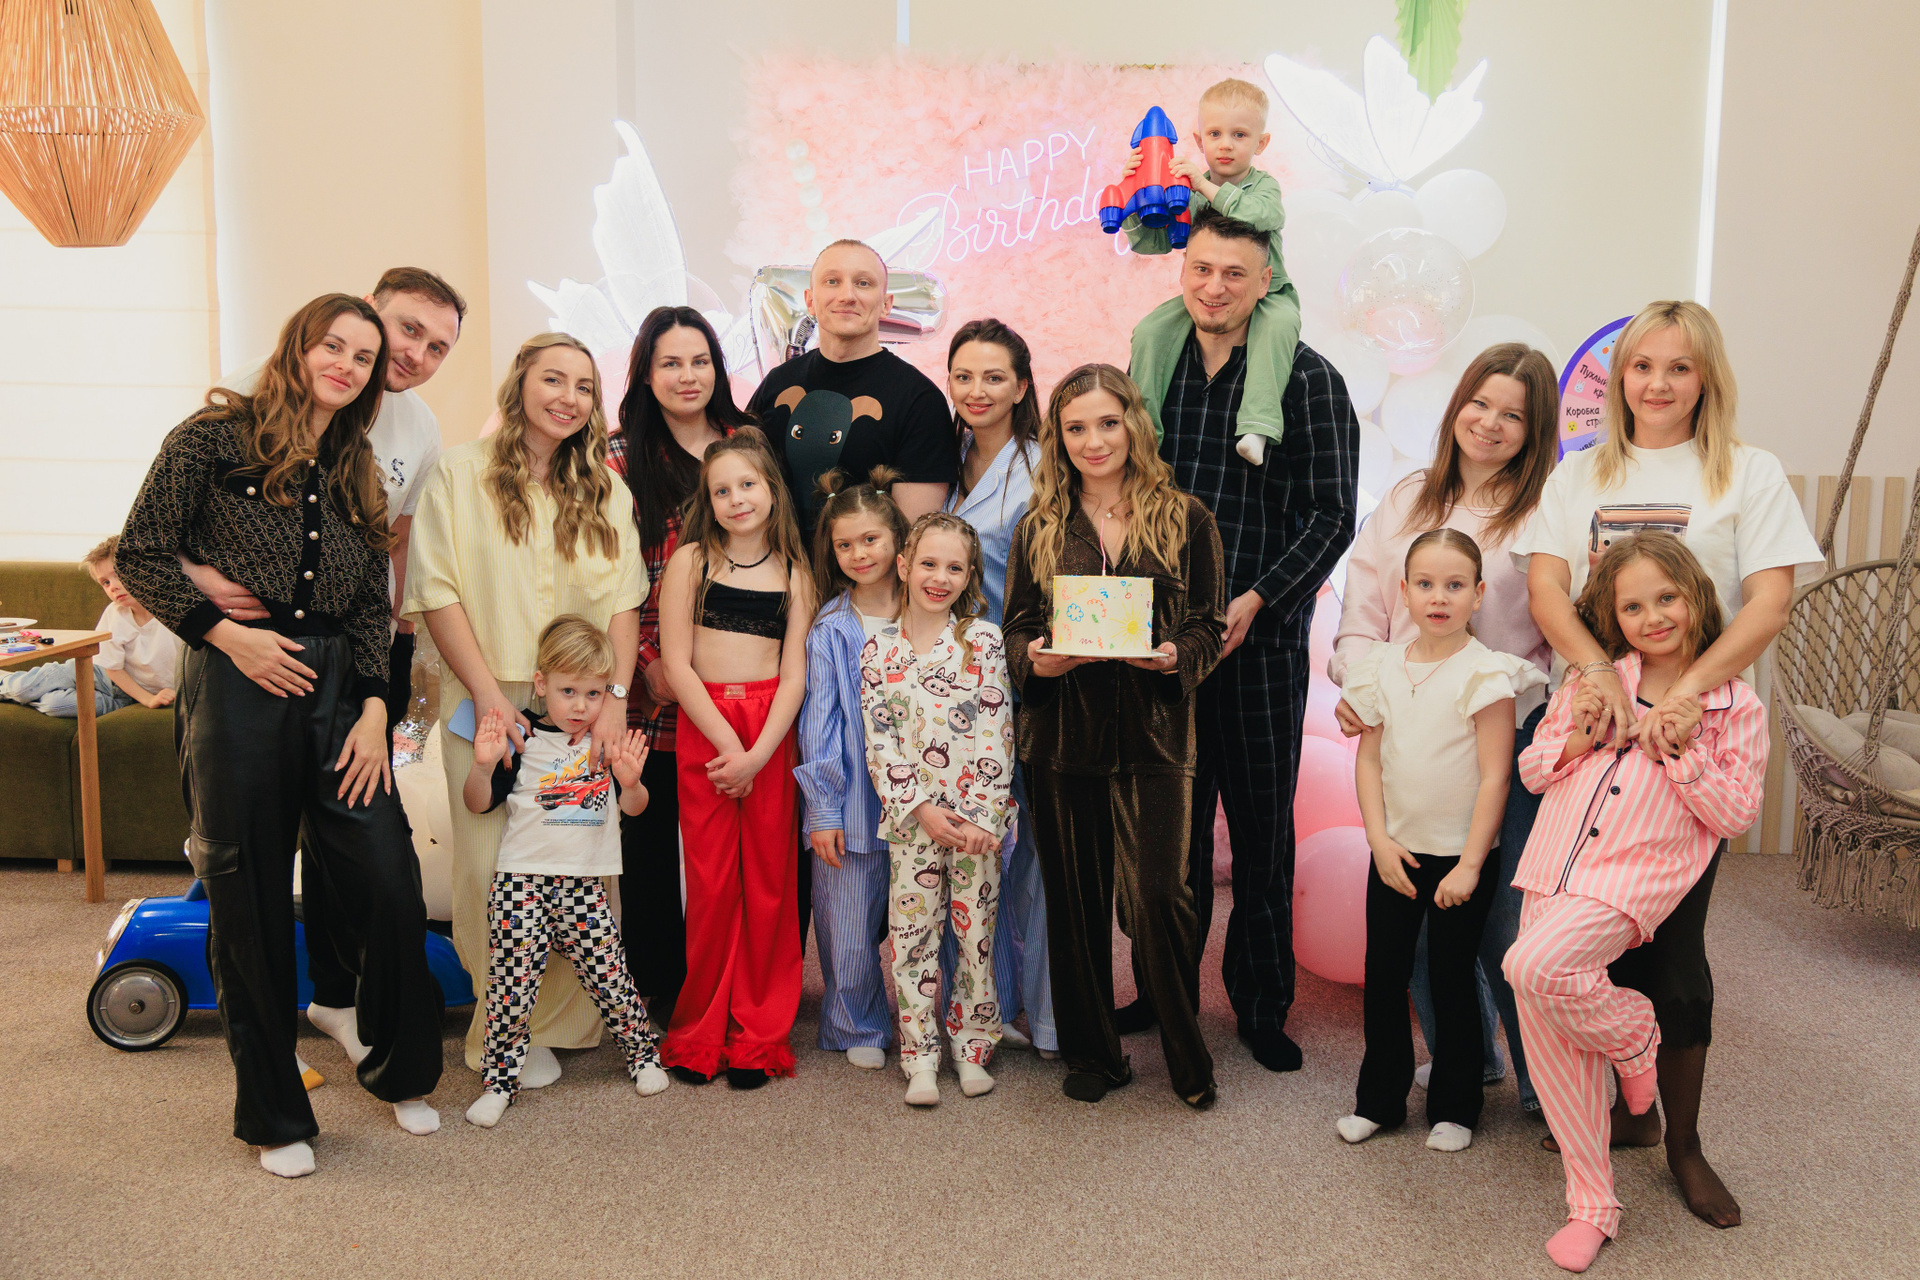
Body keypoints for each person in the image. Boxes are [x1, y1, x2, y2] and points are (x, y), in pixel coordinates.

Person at [116, 294, 445, 1177]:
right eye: (332, 345)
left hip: (341, 695)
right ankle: (273, 1116)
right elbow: (141, 551)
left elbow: (373, 602)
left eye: (362, 357)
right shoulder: (209, 439)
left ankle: (402, 1070)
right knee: (248, 895)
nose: (346, 364)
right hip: (237, 684)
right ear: (299, 347)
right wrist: (228, 636)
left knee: (388, 879)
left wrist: (374, 708)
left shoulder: (358, 463)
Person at [1513, 300, 1821, 1227]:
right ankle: (1624, 1114)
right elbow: (1546, 588)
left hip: (1695, 738)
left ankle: (1682, 1143)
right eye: (1642, 366)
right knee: (1569, 938)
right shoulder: (1580, 473)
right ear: (1619, 379)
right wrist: (1595, 674)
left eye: (1679, 367)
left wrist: (1686, 696)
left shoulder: (1747, 472)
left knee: (1675, 953)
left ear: (1706, 379)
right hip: (1596, 730)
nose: (1658, 383)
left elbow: (1767, 604)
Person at [183, 266, 466, 1068]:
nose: (415, 355)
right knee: (257, 865)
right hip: (242, 658)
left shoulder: (409, 430)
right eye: (407, 330)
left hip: (354, 655)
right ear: (364, 316)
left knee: (367, 849)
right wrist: (210, 600)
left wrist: (384, 678)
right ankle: (283, 1057)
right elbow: (166, 530)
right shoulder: (248, 397)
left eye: (437, 347)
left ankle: (343, 999)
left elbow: (393, 549)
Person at [1503, 532, 1766, 1272]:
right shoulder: (1593, 680)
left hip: (1631, 881)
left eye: (1666, 598)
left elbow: (1736, 814)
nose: (1653, 617)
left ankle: (1634, 1035)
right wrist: (1580, 738)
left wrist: (1682, 751)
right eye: (1632, 606)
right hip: (1551, 866)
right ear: (1612, 617)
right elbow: (1532, 770)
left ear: (1695, 597)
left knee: (1530, 967)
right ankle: (1592, 1205)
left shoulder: (1734, 705)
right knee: (1552, 1040)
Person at [1135, 206, 1358, 1072]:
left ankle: (1261, 1007)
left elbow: (1331, 516)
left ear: (1266, 282)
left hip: (1260, 647)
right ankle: (1163, 992)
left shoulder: (1308, 380)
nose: (1215, 287)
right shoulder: (1157, 367)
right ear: (1182, 271)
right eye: (1201, 269)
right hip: (1166, 648)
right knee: (1173, 837)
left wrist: (1258, 601)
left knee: (1263, 837)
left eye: (1234, 273)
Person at [405, 333, 643, 1087]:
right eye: (553, 379)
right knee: (489, 868)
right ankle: (501, 1027)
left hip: (578, 706)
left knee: (577, 865)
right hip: (488, 698)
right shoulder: (458, 474)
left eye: (583, 386)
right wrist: (486, 695)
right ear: (520, 384)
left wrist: (614, 699)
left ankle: (561, 1022)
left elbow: (624, 601)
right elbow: (436, 590)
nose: (568, 397)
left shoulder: (607, 490)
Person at [1330, 344, 1560, 1117]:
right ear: (1457, 404)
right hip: (1411, 735)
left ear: (1535, 431)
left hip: (1509, 739)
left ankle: (1544, 1084)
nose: (1490, 424)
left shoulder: (1545, 514)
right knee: (1416, 910)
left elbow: (1564, 629)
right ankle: (1470, 1062)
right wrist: (1359, 687)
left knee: (1502, 917)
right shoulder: (1406, 499)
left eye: (1513, 415)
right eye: (1479, 403)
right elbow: (1363, 611)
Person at [1003, 363, 1228, 1108]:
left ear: (1133, 424)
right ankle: (1095, 1055)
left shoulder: (1187, 517)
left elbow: (1209, 626)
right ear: (1057, 437)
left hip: (1156, 738)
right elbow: (1016, 628)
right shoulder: (1038, 526)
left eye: (1107, 422)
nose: (1093, 441)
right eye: (1075, 428)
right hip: (1061, 740)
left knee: (1161, 897)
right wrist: (1036, 660)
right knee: (1074, 904)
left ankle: (1187, 1054)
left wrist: (1174, 657)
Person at [1334, 529, 1544, 1153]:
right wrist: (1378, 840)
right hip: (1395, 853)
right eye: (1425, 584)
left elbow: (1495, 777)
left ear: (1478, 595)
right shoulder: (1381, 667)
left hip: (1460, 859)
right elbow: (1369, 760)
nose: (1439, 597)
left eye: (1455, 585)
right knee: (1384, 977)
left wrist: (1471, 864)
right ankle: (1379, 1100)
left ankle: (1456, 1105)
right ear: (1403, 591)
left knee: (1452, 978)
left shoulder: (1485, 673)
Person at [461, 615, 670, 1128]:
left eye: (593, 694)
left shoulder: (607, 742)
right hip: (520, 882)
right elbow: (477, 804)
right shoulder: (524, 739)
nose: (580, 706)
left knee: (611, 977)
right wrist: (483, 766)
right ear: (541, 684)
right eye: (568, 691)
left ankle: (643, 1056)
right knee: (510, 988)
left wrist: (632, 783)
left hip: (583, 884)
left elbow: (636, 809)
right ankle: (499, 1083)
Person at [656, 428, 814, 1088]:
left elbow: (795, 675)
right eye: (721, 490)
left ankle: (759, 1032)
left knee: (769, 885)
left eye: (747, 484)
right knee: (714, 883)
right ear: (708, 501)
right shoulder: (690, 562)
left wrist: (758, 755)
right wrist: (728, 748)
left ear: (771, 489)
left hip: (770, 733)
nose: (736, 498)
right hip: (710, 729)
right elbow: (676, 663)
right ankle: (701, 1029)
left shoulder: (797, 573)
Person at [608, 306, 747, 1022]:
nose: (688, 376)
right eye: (670, 363)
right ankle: (660, 985)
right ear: (645, 373)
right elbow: (608, 574)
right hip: (655, 680)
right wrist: (646, 663)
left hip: (740, 674)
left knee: (733, 840)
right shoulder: (617, 457)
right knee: (653, 836)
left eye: (700, 361)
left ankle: (733, 980)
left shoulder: (746, 445)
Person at [860, 512, 1016, 1105]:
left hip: (977, 826)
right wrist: (921, 808)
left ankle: (972, 1048)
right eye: (929, 563)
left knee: (977, 939)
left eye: (955, 567)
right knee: (912, 941)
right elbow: (880, 740)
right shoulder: (879, 649)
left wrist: (982, 817)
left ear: (970, 575)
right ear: (904, 566)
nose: (940, 577)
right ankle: (920, 1056)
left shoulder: (984, 642)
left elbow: (998, 732)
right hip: (913, 824)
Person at [941, 317, 1056, 1060]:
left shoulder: (1044, 468)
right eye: (963, 376)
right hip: (955, 688)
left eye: (993, 377)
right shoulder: (942, 462)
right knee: (966, 851)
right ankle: (978, 1009)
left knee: (1036, 854)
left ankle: (1047, 1018)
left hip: (1029, 679)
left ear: (1021, 386)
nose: (976, 390)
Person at [795, 467, 909, 1071]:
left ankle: (944, 1017)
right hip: (854, 803)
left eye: (871, 539)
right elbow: (820, 723)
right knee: (846, 920)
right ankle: (857, 1021)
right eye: (845, 544)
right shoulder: (831, 628)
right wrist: (823, 810)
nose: (859, 553)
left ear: (897, 540)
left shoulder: (932, 613)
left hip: (925, 800)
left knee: (933, 913)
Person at [1125, 78, 1300, 468]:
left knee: (1279, 327)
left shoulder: (1263, 187)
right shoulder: (1189, 191)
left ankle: (1257, 425)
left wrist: (1204, 186)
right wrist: (1134, 194)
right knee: (1151, 330)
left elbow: (1262, 216)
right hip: (1210, 298)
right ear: (1199, 140)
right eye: (1215, 134)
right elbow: (1154, 243)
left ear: (1261, 143)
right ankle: (1141, 433)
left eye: (1239, 135)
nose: (1225, 145)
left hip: (1270, 295)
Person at [748, 238, 956, 527]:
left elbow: (911, 535)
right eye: (832, 281)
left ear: (886, 305)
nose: (847, 295)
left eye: (863, 283)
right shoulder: (777, 384)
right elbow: (739, 479)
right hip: (777, 557)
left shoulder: (919, 401)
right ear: (810, 300)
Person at [0, 535, 182, 716]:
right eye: (105, 582)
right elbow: (113, 669)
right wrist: (148, 699)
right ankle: (6, 682)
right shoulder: (115, 613)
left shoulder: (175, 612)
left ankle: (18, 692)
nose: (113, 587)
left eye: (118, 575)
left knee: (54, 705)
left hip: (127, 696)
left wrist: (147, 698)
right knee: (23, 688)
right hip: (99, 674)